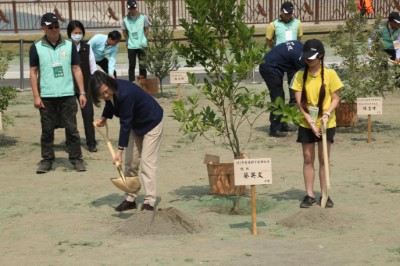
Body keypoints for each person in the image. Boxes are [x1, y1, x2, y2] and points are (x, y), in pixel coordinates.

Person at [90, 70, 163, 212]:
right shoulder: (111, 93)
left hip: (152, 122)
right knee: (131, 162)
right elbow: (110, 104)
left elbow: (125, 123)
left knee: (147, 162)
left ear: (109, 83)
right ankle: (131, 199)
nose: (106, 95)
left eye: (106, 91)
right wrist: (104, 118)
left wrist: (119, 150)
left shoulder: (125, 92)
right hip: (136, 124)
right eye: (101, 95)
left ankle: (149, 201)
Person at [29, 12, 87, 174]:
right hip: (46, 97)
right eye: (50, 27)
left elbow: (76, 69)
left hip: (67, 95)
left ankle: (76, 159)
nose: (54, 30)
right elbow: (33, 72)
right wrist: (36, 96)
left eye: (56, 26)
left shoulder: (69, 46)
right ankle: (47, 160)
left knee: (72, 129)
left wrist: (82, 92)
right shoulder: (36, 48)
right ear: (43, 29)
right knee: (47, 130)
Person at [290, 39, 343, 208]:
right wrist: (310, 122)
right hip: (307, 123)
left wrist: (327, 113)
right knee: (308, 158)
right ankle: (309, 195)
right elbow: (300, 103)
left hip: (327, 123)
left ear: (321, 56)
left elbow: (336, 98)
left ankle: (325, 194)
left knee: (323, 158)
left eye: (312, 58)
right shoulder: (299, 76)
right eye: (306, 58)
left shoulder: (330, 75)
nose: (309, 61)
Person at [259, 40, 305, 137]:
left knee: (281, 96)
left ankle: (282, 124)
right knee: (278, 98)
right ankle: (274, 129)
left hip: (271, 64)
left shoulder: (298, 45)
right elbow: (303, 77)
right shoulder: (300, 56)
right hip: (269, 67)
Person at [66, 20, 98, 152]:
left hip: (85, 88)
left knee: (88, 114)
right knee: (69, 116)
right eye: (75, 32)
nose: (77, 35)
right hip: (68, 87)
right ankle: (71, 143)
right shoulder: (65, 48)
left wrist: (92, 87)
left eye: (80, 32)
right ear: (69, 34)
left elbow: (93, 69)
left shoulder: (87, 48)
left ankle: (91, 142)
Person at [265, 1, 303, 104]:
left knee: (294, 81)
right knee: (278, 83)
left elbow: (299, 38)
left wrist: (293, 49)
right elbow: (269, 39)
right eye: (286, 13)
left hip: (293, 58)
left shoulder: (297, 23)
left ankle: (294, 104)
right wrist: (275, 49)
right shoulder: (273, 24)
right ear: (281, 11)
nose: (288, 15)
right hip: (280, 59)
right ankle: (280, 105)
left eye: (290, 13)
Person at [122, 0, 150, 82]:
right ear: (128, 8)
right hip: (131, 46)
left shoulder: (143, 17)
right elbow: (124, 32)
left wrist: (143, 39)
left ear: (136, 7)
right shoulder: (124, 19)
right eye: (130, 8)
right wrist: (129, 40)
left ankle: (143, 82)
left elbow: (147, 29)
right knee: (131, 66)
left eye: (134, 7)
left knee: (143, 66)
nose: (132, 10)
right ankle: (131, 83)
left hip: (142, 45)